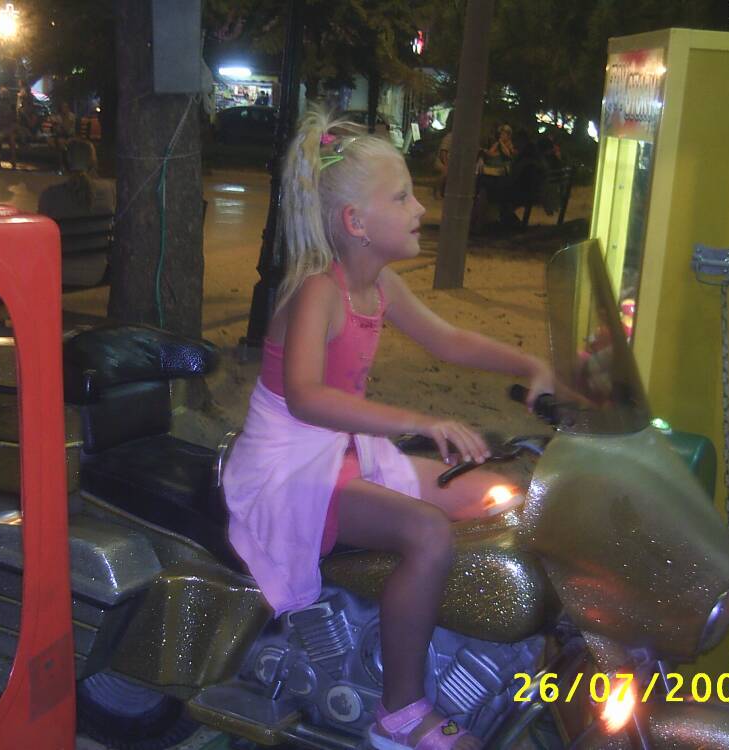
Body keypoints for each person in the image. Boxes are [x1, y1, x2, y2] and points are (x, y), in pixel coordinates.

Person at [222, 107, 553, 750]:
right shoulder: (318, 292)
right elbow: (307, 398)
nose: (420, 207)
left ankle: (465, 648)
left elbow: (448, 339)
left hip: (343, 449)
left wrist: (532, 365)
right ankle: (399, 712)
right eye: (402, 197)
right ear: (356, 223)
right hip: (290, 463)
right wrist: (420, 420)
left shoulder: (381, 285)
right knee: (427, 533)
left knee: (503, 496)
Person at [37, 139, 115, 220]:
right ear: (92, 164)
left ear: (65, 164)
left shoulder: (50, 195)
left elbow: (42, 225)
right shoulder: (109, 191)